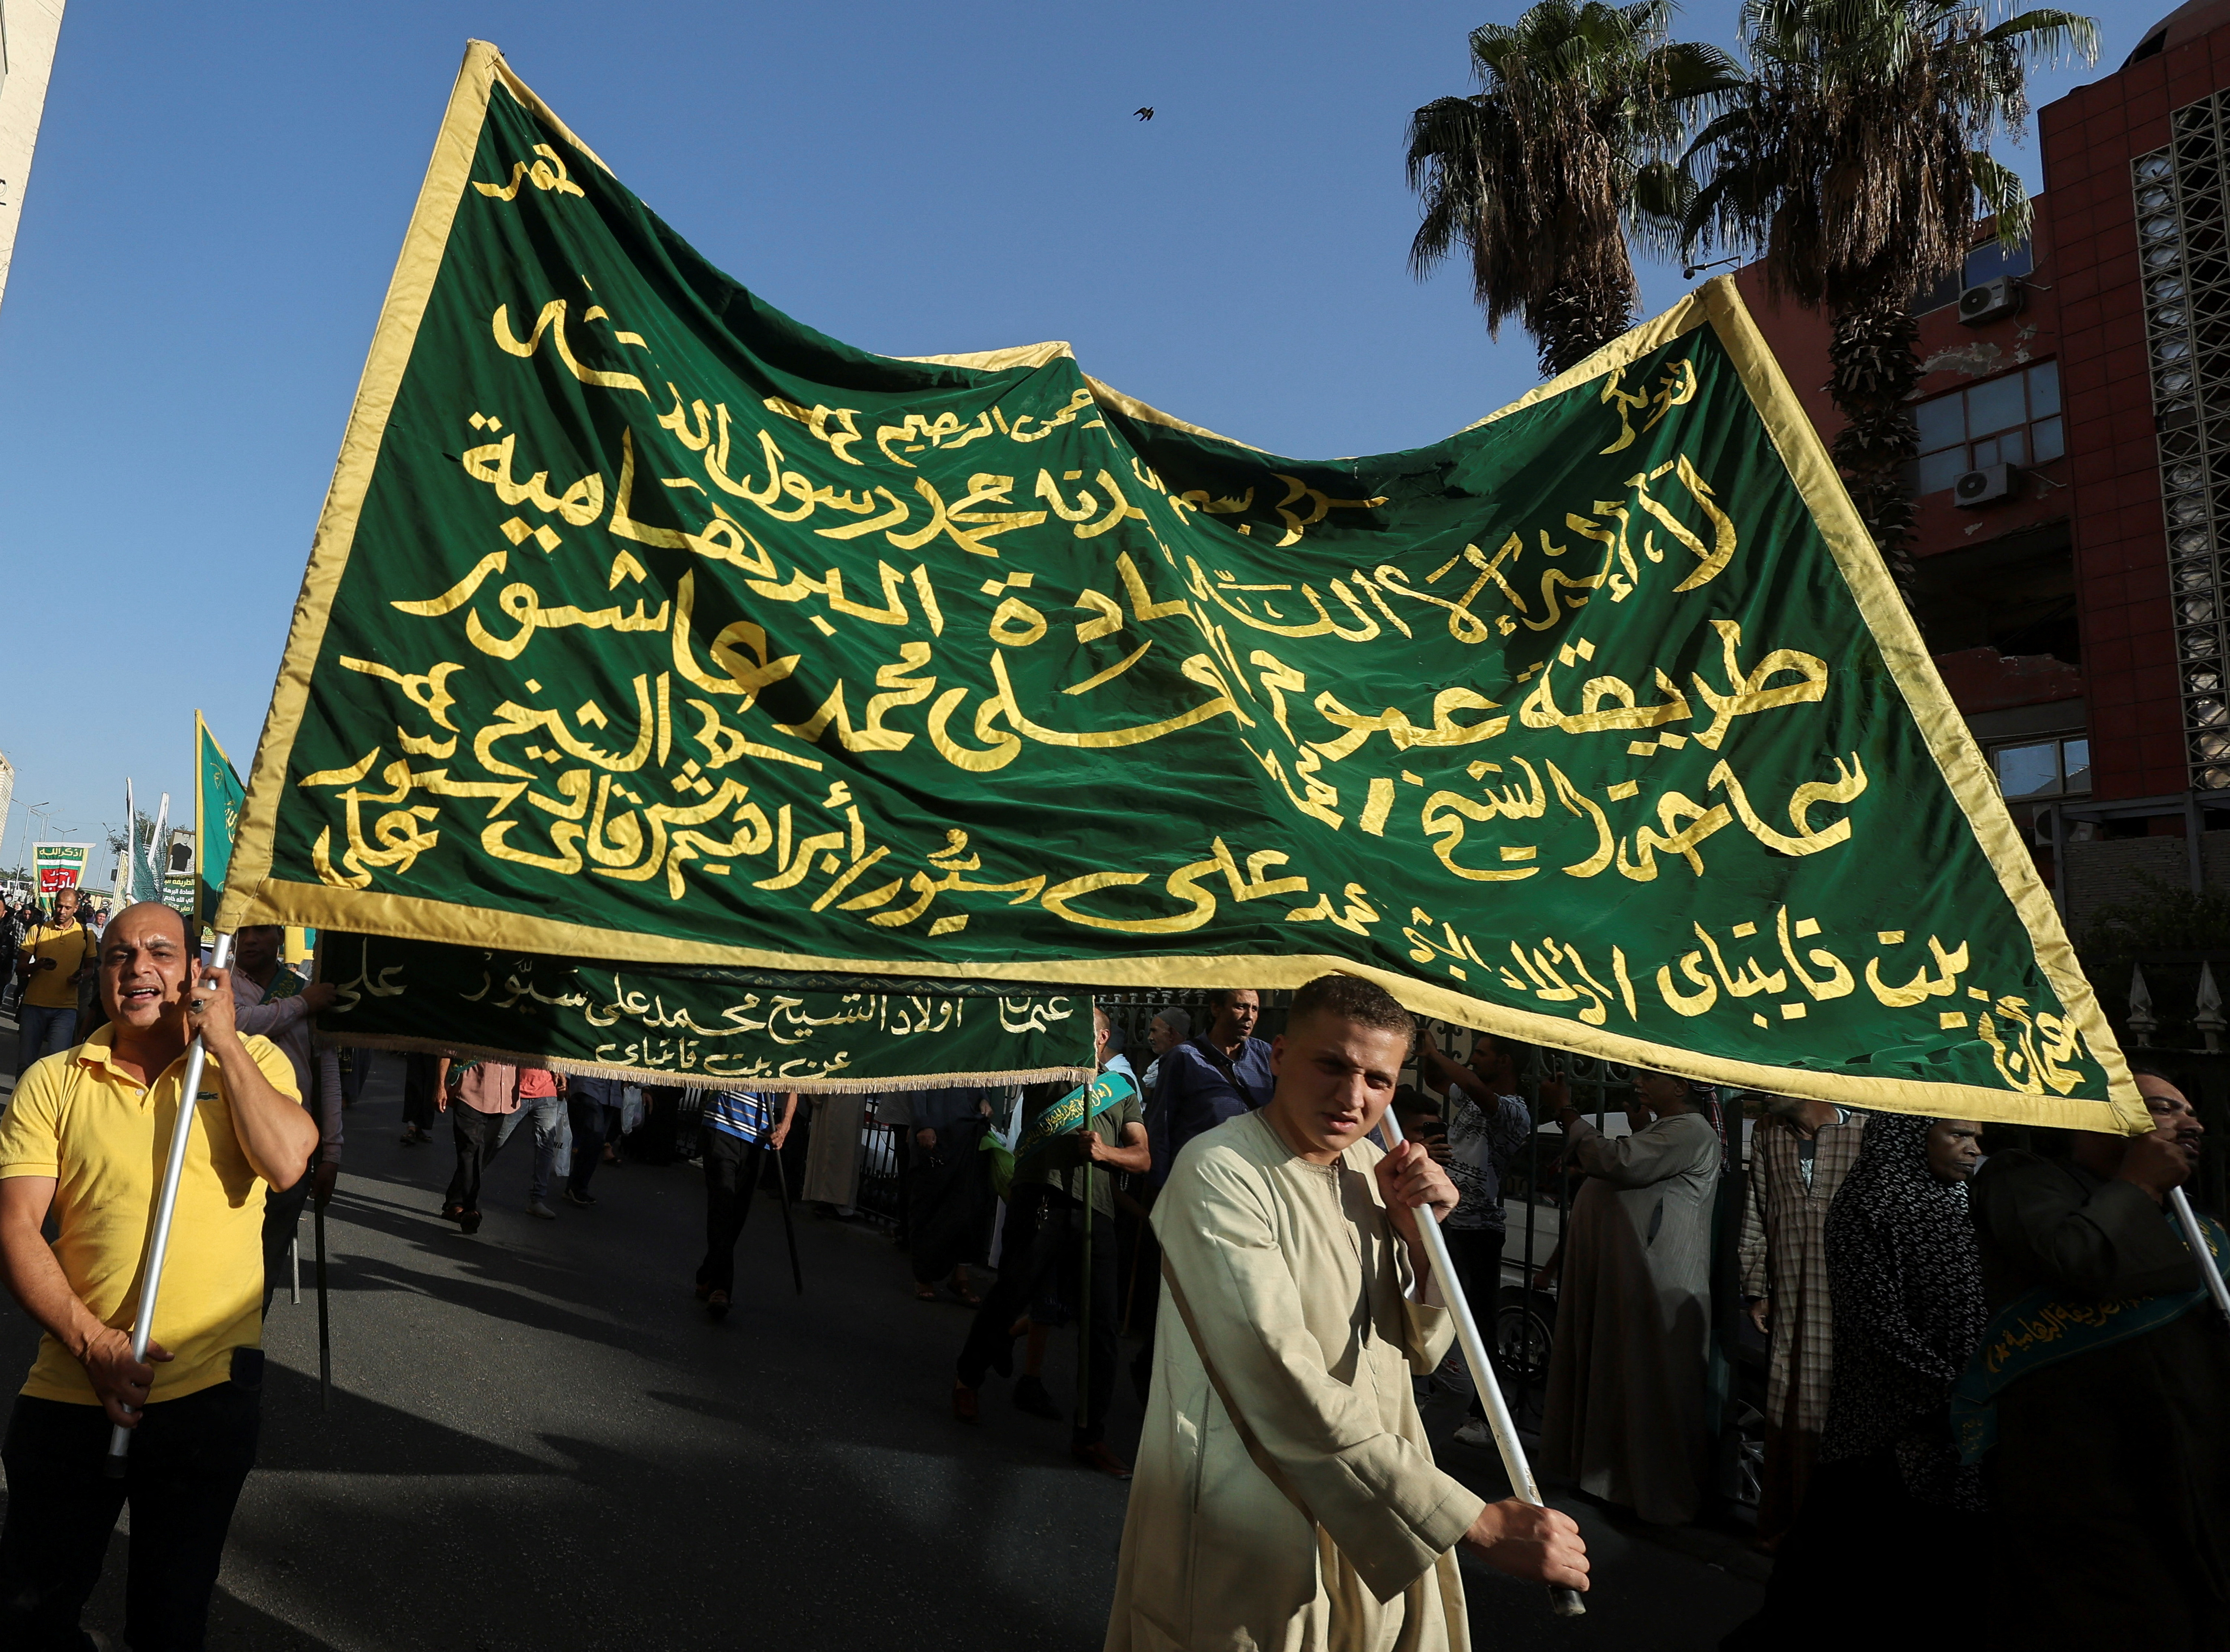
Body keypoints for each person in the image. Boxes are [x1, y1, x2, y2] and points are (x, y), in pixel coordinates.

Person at [1106, 973, 1586, 1651]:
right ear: (1278, 1055)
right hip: (1255, 1518)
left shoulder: (1375, 1168)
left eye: (1378, 1078)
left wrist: (1422, 1236)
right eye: (1332, 1063)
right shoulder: (1218, 1170)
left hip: (1377, 1522)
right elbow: (1279, 1376)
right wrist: (1469, 1519)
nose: (1352, 1095)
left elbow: (1418, 1348)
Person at [0, 902, 315, 1650]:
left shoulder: (254, 1064)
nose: (136, 967)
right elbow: (16, 1224)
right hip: (73, 1382)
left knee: (170, 1617)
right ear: (100, 975)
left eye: (159, 951)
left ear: (196, 970)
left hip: (206, 1394)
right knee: (28, 1611)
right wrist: (92, 1343)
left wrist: (229, 1047)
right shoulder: (55, 1079)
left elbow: (286, 1160)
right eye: (116, 954)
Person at [1966, 1069, 2229, 1650]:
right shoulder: (2025, 1180)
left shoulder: (2195, 1220)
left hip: (2192, 1474)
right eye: (2164, 1109)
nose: (2192, 1123)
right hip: (2087, 1480)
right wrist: (2137, 1184)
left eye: (2190, 1111)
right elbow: (2077, 1256)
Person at [1724, 1114, 1987, 1650]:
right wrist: (1953, 1394)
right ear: (1915, 1133)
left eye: (1977, 1137)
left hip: (1955, 1440)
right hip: (1885, 1434)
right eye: (1958, 1134)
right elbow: (1880, 1329)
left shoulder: (1961, 1203)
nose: (1973, 1149)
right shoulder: (1870, 1205)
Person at [953, 1007, 1148, 1478]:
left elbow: (1142, 1156)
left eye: (1081, 1030)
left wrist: (1105, 1152)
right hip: (1043, 1196)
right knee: (1011, 1294)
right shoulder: (1048, 1069)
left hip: (1095, 1211)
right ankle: (968, 1377)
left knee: (1101, 1327)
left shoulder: (1120, 1089)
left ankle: (1090, 1434)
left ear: (1103, 1038)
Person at [1536, 1068, 1720, 1526]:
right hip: (1627, 1283)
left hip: (1654, 1284)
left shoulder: (1690, 1131)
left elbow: (1621, 1162)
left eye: (1648, 1076)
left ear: (1680, 1087)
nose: (1637, 1082)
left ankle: (1658, 1498)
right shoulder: (1668, 1128)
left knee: (1649, 1384)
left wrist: (1567, 1111)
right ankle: (1611, 1483)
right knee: (1618, 1378)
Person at [1736, 1090, 1868, 1544]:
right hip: (1789, 1297)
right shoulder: (1767, 1133)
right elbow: (1757, 1210)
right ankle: (1787, 1529)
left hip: (1849, 1304)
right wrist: (1758, 1289)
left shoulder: (1865, 1130)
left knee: (1838, 1414)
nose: (1760, 1087)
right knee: (1787, 1409)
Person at [1415, 1028, 1535, 1450]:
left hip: (1479, 1231)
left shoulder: (1513, 1110)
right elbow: (1438, 1082)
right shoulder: (1475, 1096)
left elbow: (1469, 1086)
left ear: (1505, 1063)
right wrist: (1428, 1055)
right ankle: (1446, 1390)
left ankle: (1485, 1417)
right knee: (1438, 1310)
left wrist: (1437, 1053)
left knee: (1477, 1324)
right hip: (1451, 1222)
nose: (1474, 1062)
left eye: (1482, 1054)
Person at [225, 924, 344, 1314]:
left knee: (267, 1258)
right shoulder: (220, 985)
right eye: (244, 932)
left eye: (261, 931)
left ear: (281, 936)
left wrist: (331, 1153)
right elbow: (236, 1025)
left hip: (292, 1145)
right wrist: (302, 1005)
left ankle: (244, 1348)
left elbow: (327, 1074)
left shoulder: (302, 988)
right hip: (226, 1141)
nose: (251, 940)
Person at [1146, 988, 1272, 1189]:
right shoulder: (1183, 1058)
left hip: (1254, 1181)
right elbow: (1161, 1127)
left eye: (1255, 1009)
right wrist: (1161, 1189)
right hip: (1201, 1182)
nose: (1249, 1016)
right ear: (1216, 1008)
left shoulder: (1265, 1055)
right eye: (1240, 1007)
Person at [695, 1089, 798, 1318]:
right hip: (720, 1125)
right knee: (722, 1205)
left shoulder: (778, 1051)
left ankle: (708, 1273)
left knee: (737, 1214)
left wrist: (786, 1123)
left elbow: (792, 1083)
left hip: (757, 1137)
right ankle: (721, 1288)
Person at [433, 1057, 566, 1230]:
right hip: (471, 1093)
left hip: (504, 1098)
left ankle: (456, 1202)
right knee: (472, 1151)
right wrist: (440, 1086)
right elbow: (446, 1049)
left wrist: (557, 1068)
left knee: (483, 1153)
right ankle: (472, 1210)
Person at [905, 1086, 993, 1304]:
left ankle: (960, 1277)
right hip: (937, 1130)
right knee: (930, 1205)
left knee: (970, 1206)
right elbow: (916, 1082)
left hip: (970, 1130)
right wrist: (923, 1123)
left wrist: (983, 1099)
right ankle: (924, 1277)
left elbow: (978, 1079)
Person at [14, 888, 93, 1077]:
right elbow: (21, 967)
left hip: (66, 1010)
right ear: (54, 905)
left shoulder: (85, 934)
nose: (62, 911)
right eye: (59, 906)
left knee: (56, 1067)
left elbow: (91, 968)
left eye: (67, 907)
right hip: (34, 1006)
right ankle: (21, 1104)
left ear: (76, 908)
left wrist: (80, 976)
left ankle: (45, 1105)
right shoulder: (38, 930)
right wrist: (38, 966)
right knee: (26, 1064)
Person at [563, 1073, 622, 1205]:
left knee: (594, 1141)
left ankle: (575, 1186)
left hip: (611, 1093)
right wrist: (565, 1076)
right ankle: (578, 1188)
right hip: (589, 1087)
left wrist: (644, 1086)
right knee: (595, 1136)